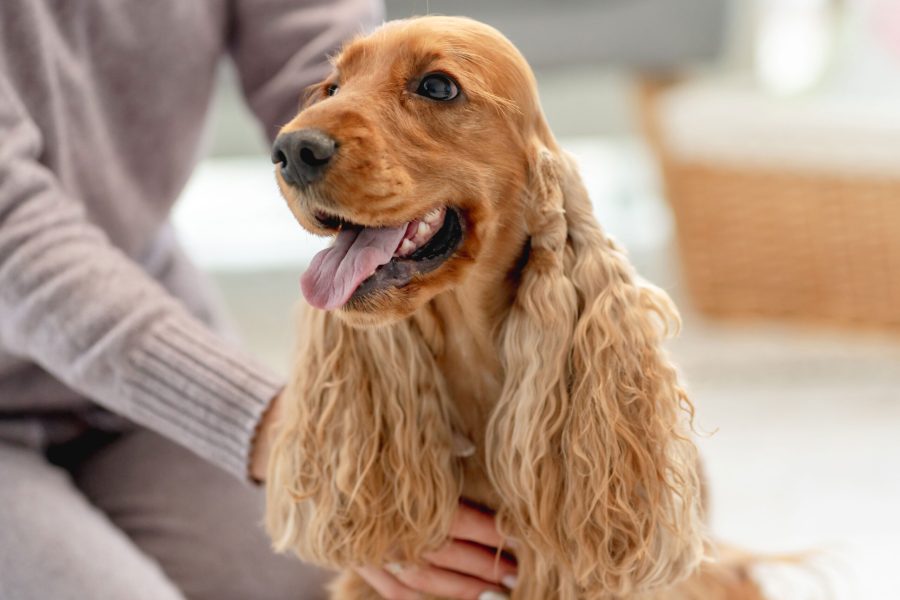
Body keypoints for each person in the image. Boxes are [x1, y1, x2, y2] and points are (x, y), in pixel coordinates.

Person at [0, 2, 516, 599]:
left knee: (323, 581)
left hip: (141, 391)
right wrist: (288, 436)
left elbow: (326, 67)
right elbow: (14, 238)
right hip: (48, 344)